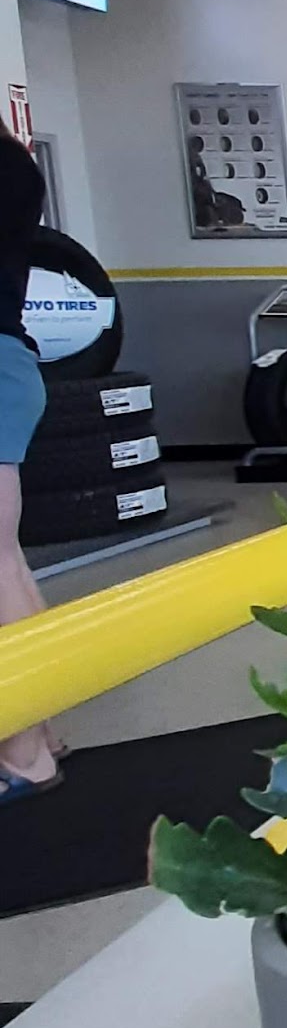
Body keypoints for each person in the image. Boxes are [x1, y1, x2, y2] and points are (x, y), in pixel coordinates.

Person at [0, 129, 57, 800]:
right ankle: (41, 729)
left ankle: (23, 757)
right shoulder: (16, 167)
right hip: (11, 361)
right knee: (7, 560)